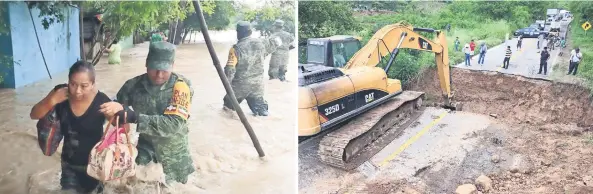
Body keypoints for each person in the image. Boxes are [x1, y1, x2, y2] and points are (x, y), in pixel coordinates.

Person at [108, 41, 195, 186]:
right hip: (145, 149)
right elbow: (115, 106)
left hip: (175, 153)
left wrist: (134, 117)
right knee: (135, 183)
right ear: (147, 63)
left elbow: (173, 124)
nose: (159, 75)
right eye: (154, 69)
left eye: (164, 70)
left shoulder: (181, 87)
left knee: (175, 188)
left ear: (172, 65)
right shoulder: (133, 86)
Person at [29, 61, 111, 193]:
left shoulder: (101, 102)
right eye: (73, 84)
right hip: (69, 165)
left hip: (95, 166)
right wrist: (52, 100)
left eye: (84, 86)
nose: (77, 91)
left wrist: (119, 110)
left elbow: (124, 131)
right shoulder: (60, 94)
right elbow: (34, 114)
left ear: (92, 85)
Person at [223, 21, 279, 116]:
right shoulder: (262, 43)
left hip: (240, 86)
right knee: (262, 113)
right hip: (258, 85)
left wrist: (228, 88)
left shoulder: (236, 49)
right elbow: (277, 42)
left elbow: (229, 70)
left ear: (238, 33)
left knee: (227, 110)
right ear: (250, 32)